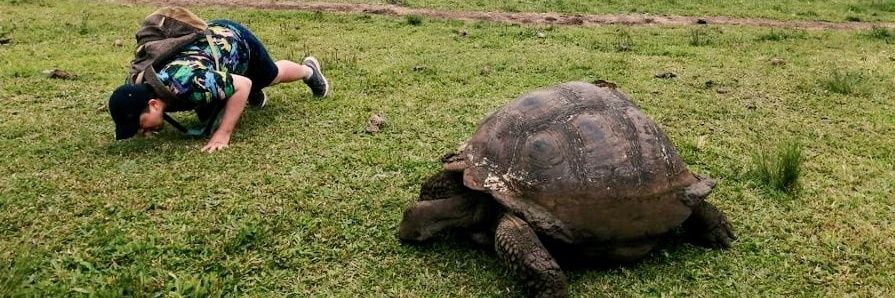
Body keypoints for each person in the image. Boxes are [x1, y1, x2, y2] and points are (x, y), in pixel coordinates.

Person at [108, 19, 329, 153]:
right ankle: (242, 91)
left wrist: (223, 133)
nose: (140, 130)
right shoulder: (141, 83)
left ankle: (308, 71)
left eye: (139, 125)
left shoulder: (186, 84)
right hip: (207, 46)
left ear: (154, 104)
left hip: (234, 39)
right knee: (215, 97)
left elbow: (243, 83)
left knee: (270, 76)